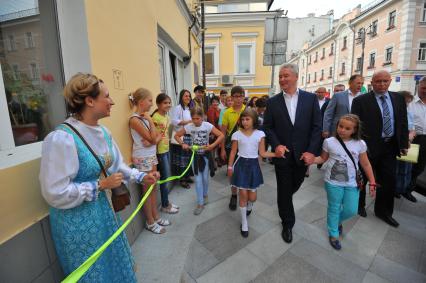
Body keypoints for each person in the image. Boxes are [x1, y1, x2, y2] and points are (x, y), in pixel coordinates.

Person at [39, 73, 158, 281]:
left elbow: (116, 164)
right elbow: (54, 193)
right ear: (90, 100)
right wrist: (100, 185)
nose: (112, 101)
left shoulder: (103, 132)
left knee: (113, 265)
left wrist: (141, 177)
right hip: (77, 225)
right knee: (93, 273)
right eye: (107, 96)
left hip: (103, 214)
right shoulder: (61, 139)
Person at [263, 63, 322, 244]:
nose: (282, 79)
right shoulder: (272, 102)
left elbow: (317, 127)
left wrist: (312, 151)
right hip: (283, 155)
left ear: (296, 77)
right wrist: (276, 145)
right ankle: (287, 223)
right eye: (280, 76)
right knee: (283, 189)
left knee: (292, 186)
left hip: (303, 155)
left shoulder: (310, 99)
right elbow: (268, 127)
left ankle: (285, 201)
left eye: (286, 76)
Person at [351, 70, 408, 228]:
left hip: (390, 146)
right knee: (363, 177)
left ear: (390, 81)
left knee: (388, 180)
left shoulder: (398, 99)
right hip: (368, 148)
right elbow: (355, 126)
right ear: (372, 83)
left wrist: (403, 144)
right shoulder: (361, 101)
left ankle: (384, 212)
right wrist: (357, 148)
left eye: (385, 81)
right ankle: (359, 205)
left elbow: (402, 123)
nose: (382, 84)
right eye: (378, 81)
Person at [314, 114, 376, 250]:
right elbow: (323, 159)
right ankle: (333, 233)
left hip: (352, 183)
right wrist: (311, 159)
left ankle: (337, 221)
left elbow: (365, 164)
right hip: (332, 182)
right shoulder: (329, 141)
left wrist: (372, 182)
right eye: (340, 126)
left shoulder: (360, 144)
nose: (342, 130)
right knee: (334, 207)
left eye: (347, 128)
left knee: (351, 209)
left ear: (354, 130)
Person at [227, 109, 276, 237]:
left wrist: (276, 154)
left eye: (247, 119)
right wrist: (230, 167)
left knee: (252, 197)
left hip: (253, 166)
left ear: (254, 119)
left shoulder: (260, 134)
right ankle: (244, 223)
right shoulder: (237, 134)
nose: (244, 122)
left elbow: (263, 153)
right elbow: (233, 152)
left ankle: (250, 206)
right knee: (242, 194)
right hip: (241, 165)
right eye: (243, 119)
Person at [129, 88, 170, 234]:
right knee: (147, 191)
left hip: (151, 156)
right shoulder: (134, 120)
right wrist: (151, 126)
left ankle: (156, 217)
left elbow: (158, 136)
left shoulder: (145, 118)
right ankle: (150, 222)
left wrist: (153, 138)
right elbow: (154, 137)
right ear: (141, 102)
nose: (152, 104)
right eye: (150, 100)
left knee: (153, 189)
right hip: (143, 157)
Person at [323, 75, 365, 206]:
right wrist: (326, 129)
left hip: (354, 133)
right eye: (358, 83)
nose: (360, 85)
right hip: (338, 131)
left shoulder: (363, 97)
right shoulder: (338, 96)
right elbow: (328, 113)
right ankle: (333, 176)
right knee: (334, 154)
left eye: (362, 83)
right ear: (350, 83)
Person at [175, 107, 224, 215]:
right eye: (193, 118)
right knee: (198, 180)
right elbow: (176, 135)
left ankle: (205, 195)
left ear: (202, 117)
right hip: (195, 156)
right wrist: (183, 144)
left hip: (206, 156)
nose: (195, 121)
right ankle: (200, 203)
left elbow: (221, 135)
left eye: (198, 118)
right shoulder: (189, 126)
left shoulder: (207, 125)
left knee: (205, 179)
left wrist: (212, 146)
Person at [152, 93, 179, 214]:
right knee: (164, 178)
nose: (168, 105)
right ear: (158, 104)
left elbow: (167, 133)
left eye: (169, 103)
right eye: (165, 103)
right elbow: (153, 136)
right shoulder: (155, 118)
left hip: (166, 149)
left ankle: (166, 202)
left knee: (166, 178)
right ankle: (164, 205)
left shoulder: (167, 117)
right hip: (159, 152)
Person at [221, 86, 246, 211]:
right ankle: (234, 194)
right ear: (232, 97)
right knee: (232, 172)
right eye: (235, 96)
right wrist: (222, 149)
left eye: (241, 96)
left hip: (245, 148)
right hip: (232, 148)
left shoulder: (247, 111)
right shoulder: (227, 112)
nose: (238, 99)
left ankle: (243, 195)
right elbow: (223, 133)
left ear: (243, 97)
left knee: (244, 172)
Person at [407, 76, 426, 201]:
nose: (425, 91)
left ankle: (409, 189)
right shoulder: (411, 104)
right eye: (423, 88)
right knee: (407, 165)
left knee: (420, 167)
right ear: (418, 87)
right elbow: (407, 120)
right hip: (414, 138)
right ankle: (400, 188)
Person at [170, 89, 193, 188]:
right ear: (181, 97)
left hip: (189, 136)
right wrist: (187, 122)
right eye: (186, 96)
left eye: (189, 96)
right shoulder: (178, 108)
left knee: (188, 158)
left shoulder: (190, 108)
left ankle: (187, 176)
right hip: (181, 136)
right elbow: (174, 121)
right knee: (182, 159)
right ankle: (182, 179)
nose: (188, 98)